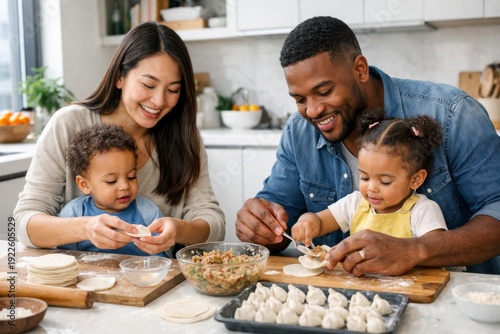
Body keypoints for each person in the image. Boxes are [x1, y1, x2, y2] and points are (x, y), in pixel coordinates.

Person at [235, 16, 500, 275]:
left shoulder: (452, 113)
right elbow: (281, 212)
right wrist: (259, 224)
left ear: (360, 69)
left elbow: (496, 210)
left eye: (325, 91)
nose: (313, 111)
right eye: (300, 99)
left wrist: (414, 250)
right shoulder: (299, 130)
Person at [14, 22, 225, 255]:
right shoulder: (69, 125)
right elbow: (24, 222)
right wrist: (85, 227)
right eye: (148, 85)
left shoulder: (184, 137)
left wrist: (178, 229)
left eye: (173, 90)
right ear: (119, 78)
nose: (158, 101)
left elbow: (213, 223)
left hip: (154, 280)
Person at [291, 110, 447, 247]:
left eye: (385, 181)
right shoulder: (355, 204)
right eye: (364, 177)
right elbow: (319, 222)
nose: (371, 188)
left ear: (416, 179)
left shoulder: (422, 211)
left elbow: (434, 250)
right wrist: (308, 222)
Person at [59, 124, 171, 257]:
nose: (125, 186)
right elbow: (66, 259)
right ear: (84, 184)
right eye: (111, 181)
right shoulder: (73, 214)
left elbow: (162, 260)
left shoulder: (148, 214)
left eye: (131, 177)